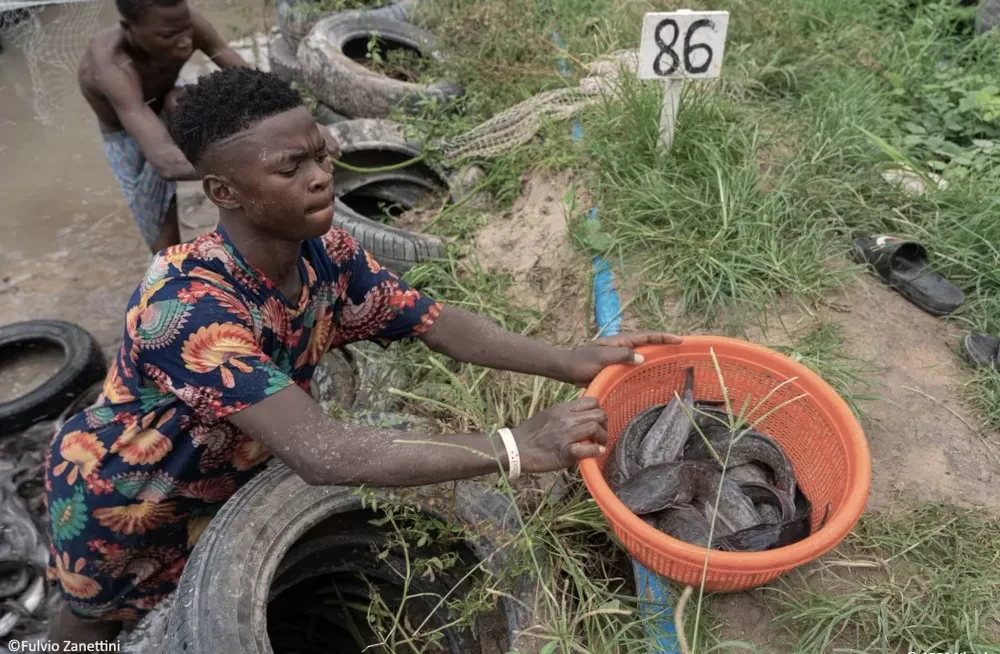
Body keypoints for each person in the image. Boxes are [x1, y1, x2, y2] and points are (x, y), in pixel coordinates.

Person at [44, 66, 683, 644]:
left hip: (230, 471)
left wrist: (567, 358)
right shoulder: (186, 310)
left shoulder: (324, 251)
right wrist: (518, 446)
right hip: (126, 494)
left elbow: (432, 322)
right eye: (289, 167)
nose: (321, 175)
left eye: (320, 153)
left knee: (194, 601)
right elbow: (323, 454)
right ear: (225, 191)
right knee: (94, 621)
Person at [77, 0, 337, 253]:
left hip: (166, 100)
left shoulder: (184, 22)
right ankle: (171, 271)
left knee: (182, 101)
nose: (185, 41)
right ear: (129, 28)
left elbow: (251, 80)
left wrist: (305, 129)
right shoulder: (111, 63)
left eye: (186, 29)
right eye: (169, 36)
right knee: (154, 213)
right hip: (125, 128)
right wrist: (255, 168)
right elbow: (165, 161)